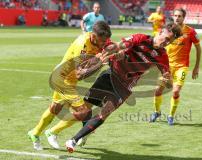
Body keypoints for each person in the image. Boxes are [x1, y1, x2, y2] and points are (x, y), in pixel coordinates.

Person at [65, 22, 182, 153]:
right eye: (166, 38)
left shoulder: (162, 56)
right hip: (110, 75)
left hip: (124, 87)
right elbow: (120, 45)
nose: (166, 42)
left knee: (104, 114)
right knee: (85, 109)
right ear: (160, 32)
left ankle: (73, 140)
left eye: (169, 41)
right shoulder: (141, 38)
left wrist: (166, 81)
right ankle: (82, 131)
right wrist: (109, 52)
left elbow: (169, 81)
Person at [27, 21, 113, 151]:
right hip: (63, 80)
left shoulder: (100, 39)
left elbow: (111, 47)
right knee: (84, 112)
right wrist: (100, 63)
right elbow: (80, 75)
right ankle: (52, 132)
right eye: (102, 41)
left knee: (55, 108)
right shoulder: (82, 46)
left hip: (68, 79)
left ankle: (34, 133)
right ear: (93, 36)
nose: (103, 44)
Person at [149, 8, 202, 125]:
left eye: (180, 16)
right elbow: (157, 44)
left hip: (181, 67)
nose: (177, 18)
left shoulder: (191, 32)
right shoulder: (166, 30)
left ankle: (171, 116)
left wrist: (196, 67)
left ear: (184, 17)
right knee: (158, 90)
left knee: (175, 91)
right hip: (166, 66)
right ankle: (157, 112)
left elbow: (198, 48)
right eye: (175, 15)